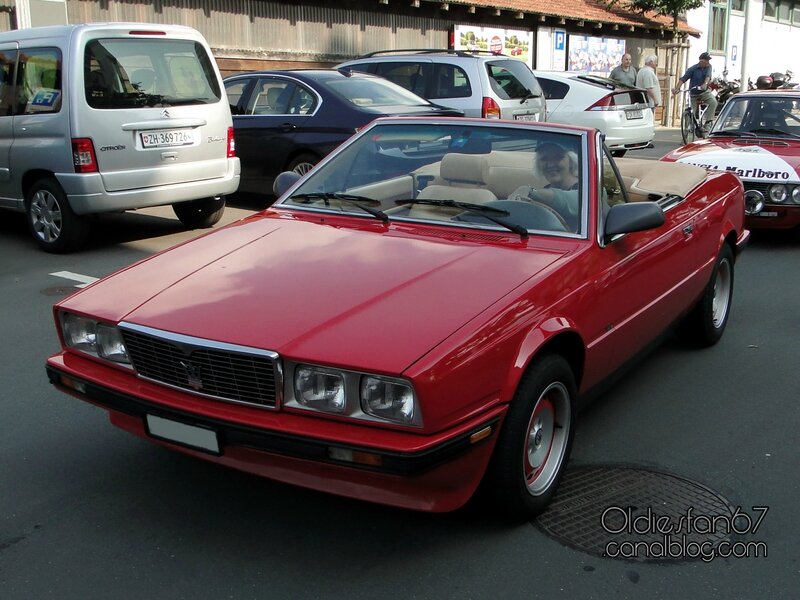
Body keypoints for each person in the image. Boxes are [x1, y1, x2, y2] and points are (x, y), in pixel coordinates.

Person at [510, 142, 580, 228]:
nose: (550, 164)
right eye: (544, 159)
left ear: (571, 161)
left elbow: (570, 201)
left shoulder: (587, 189)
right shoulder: (545, 190)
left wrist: (530, 192)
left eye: (558, 157)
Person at [672, 52, 717, 132]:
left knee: (713, 102)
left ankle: (708, 123)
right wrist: (676, 88)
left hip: (704, 92)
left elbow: (708, 76)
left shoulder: (709, 67)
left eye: (708, 60)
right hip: (693, 93)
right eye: (706, 60)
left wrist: (705, 84)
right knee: (690, 111)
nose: (708, 62)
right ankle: (686, 130)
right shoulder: (693, 69)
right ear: (701, 61)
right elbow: (683, 79)